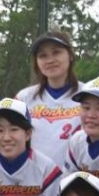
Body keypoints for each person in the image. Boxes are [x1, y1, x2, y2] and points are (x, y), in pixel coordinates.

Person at [15, 30, 83, 169]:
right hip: (34, 177)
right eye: (43, 56)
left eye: (56, 52)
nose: (50, 60)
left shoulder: (88, 94)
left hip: (75, 177)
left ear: (70, 55)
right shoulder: (24, 98)